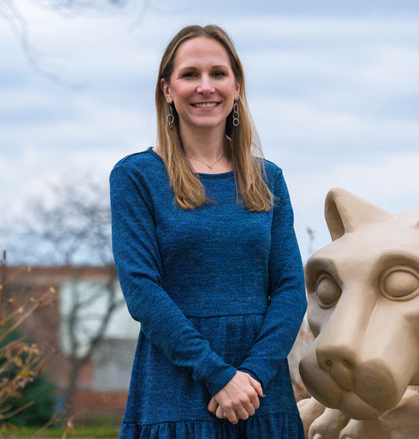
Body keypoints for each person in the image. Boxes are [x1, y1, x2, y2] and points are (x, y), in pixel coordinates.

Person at [110, 24, 307, 439]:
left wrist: (251, 375)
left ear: (236, 86)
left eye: (218, 73)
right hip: (175, 390)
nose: (205, 87)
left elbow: (290, 288)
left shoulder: (268, 178)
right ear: (167, 89)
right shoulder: (136, 177)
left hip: (261, 394)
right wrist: (217, 375)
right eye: (190, 75)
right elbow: (142, 291)